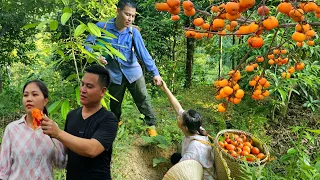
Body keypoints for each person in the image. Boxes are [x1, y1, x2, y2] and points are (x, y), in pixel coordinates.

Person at [85, 0, 162, 136]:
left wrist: (155, 73)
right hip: (113, 74)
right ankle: (116, 122)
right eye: (127, 14)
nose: (130, 19)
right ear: (118, 11)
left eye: (133, 16)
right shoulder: (102, 27)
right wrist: (96, 56)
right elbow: (88, 44)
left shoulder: (133, 32)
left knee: (143, 99)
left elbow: (143, 54)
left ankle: (151, 126)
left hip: (133, 73)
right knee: (115, 102)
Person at [41, 64, 118, 180]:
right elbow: (65, 147)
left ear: (102, 91)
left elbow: (93, 149)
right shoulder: (72, 115)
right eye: (82, 84)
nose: (82, 90)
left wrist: (58, 133)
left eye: (89, 86)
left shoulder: (108, 119)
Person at [0, 80, 66, 180]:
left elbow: (60, 163)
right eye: (25, 95)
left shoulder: (52, 128)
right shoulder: (12, 129)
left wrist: (59, 137)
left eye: (34, 94)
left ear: (45, 100)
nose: (29, 99)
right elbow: (3, 169)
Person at [159, 80, 216, 180]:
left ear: (185, 127)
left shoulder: (194, 149)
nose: (178, 116)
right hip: (197, 162)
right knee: (174, 157)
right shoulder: (197, 128)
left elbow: (181, 173)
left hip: (202, 175)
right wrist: (165, 88)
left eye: (180, 118)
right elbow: (178, 107)